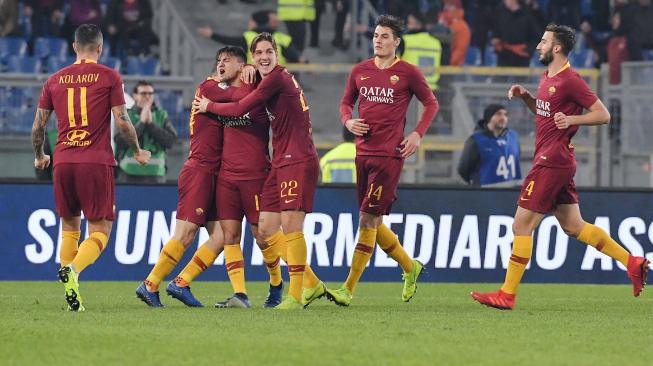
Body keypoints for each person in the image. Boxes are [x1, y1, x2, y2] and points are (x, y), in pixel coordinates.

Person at [471, 24, 650, 310]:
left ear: (557, 47)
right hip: (557, 159)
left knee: (521, 225)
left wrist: (573, 121)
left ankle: (507, 294)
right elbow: (548, 116)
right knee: (573, 226)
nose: (538, 46)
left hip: (551, 161)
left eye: (543, 42)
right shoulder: (547, 77)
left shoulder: (571, 80)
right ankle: (633, 262)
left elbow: (602, 115)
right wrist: (528, 98)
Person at [193, 32, 325, 310]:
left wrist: (208, 106)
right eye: (259, 53)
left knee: (289, 228)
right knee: (265, 229)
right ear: (252, 58)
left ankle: (297, 292)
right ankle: (295, 287)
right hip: (277, 162)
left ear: (277, 54)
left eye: (269, 52)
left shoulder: (276, 78)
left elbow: (240, 106)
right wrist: (244, 72)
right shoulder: (265, 79)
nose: (264, 57)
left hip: (295, 158)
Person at [32, 24, 150, 311]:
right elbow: (122, 121)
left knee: (69, 227)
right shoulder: (110, 76)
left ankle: (71, 295)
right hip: (95, 161)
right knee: (100, 230)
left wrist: (40, 155)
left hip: (62, 161)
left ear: (74, 47)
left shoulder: (54, 80)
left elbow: (38, 126)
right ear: (99, 47)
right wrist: (136, 150)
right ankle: (73, 270)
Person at [325, 14, 439, 307]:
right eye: (376, 35)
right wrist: (347, 121)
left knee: (366, 219)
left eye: (385, 36)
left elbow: (431, 103)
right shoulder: (360, 70)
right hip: (362, 153)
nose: (378, 40)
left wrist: (417, 134)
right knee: (372, 220)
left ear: (396, 42)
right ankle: (410, 266)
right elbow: (345, 102)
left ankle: (348, 289)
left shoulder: (408, 72)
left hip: (389, 155)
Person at [115, 80, 177, 184]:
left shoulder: (161, 115)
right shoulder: (126, 115)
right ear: (135, 96)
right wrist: (142, 123)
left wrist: (151, 125)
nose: (147, 96)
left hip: (156, 174)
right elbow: (120, 141)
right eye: (143, 93)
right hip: (129, 173)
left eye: (150, 93)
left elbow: (170, 142)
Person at [197, 10, 301, 65]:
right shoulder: (278, 37)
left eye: (251, 21)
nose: (249, 23)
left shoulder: (249, 37)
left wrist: (212, 35)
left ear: (256, 23)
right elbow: (293, 54)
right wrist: (304, 62)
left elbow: (229, 40)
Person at [457, 104, 522, 187]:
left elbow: (517, 159)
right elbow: (463, 169)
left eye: (505, 115)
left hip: (510, 193)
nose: (503, 118)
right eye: (498, 114)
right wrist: (476, 183)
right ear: (489, 117)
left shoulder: (513, 137)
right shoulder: (476, 140)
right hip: (486, 194)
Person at [491, 0, 541, 67]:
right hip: (504, 55)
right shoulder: (501, 13)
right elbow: (496, 31)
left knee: (521, 76)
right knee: (500, 76)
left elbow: (536, 35)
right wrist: (495, 39)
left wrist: (528, 49)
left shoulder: (528, 15)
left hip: (522, 56)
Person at [400, 12, 442, 91]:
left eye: (410, 23)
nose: (407, 26)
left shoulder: (406, 40)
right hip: (431, 90)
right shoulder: (436, 43)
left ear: (418, 25)